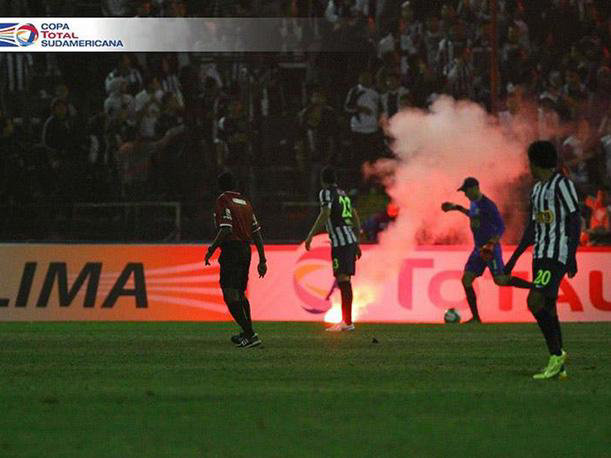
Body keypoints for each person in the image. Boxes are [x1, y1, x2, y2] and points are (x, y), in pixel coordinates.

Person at [504, 141, 580, 380]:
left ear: (536, 162)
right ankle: (560, 365)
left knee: (534, 301)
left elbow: (575, 219)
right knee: (549, 307)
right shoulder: (536, 190)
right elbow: (531, 230)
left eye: (530, 162)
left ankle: (556, 355)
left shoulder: (563, 185)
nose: (528, 166)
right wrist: (513, 261)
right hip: (540, 255)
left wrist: (571, 255)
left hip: (556, 255)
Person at [442, 177, 533, 323]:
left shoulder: (488, 205)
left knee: (501, 280)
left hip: (490, 249)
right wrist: (456, 208)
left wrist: (491, 244)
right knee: (466, 279)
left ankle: (535, 287)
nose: (465, 194)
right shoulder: (474, 202)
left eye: (466, 191)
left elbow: (501, 226)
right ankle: (476, 318)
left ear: (474, 188)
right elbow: (473, 216)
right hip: (478, 249)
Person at [205, 171, 267, 348]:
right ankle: (247, 333)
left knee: (229, 293)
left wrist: (211, 249)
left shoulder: (223, 200)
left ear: (220, 186)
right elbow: (257, 233)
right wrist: (262, 259)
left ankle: (250, 334)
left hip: (232, 250)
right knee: (239, 293)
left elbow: (225, 228)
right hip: (246, 251)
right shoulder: (245, 202)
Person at [305, 166, 362, 331]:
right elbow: (355, 216)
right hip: (349, 241)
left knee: (343, 279)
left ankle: (347, 322)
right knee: (345, 280)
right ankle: (347, 321)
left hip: (340, 242)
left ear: (322, 180)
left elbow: (325, 213)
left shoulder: (325, 193)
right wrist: (357, 241)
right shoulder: (343, 194)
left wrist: (310, 235)